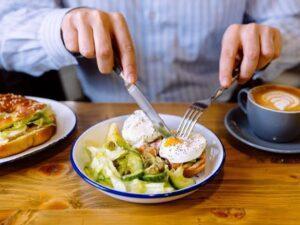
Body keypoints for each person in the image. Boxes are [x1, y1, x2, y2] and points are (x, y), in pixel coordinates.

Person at [0, 0, 299, 102]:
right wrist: (61, 28)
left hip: (220, 118)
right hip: (99, 117)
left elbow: (291, 20)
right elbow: (6, 28)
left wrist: (272, 38)